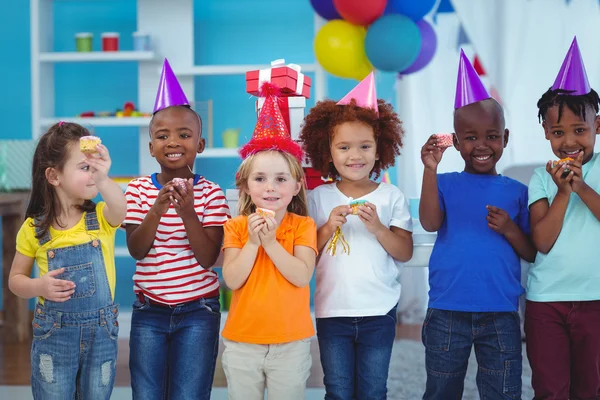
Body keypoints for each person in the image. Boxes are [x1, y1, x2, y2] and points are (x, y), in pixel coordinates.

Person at [419, 50, 535, 399]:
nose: (481, 145)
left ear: (506, 138)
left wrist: (511, 229)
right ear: (455, 142)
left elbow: (531, 250)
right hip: (447, 309)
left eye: (491, 136)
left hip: (500, 312)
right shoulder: (445, 182)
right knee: (441, 388)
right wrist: (429, 168)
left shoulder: (517, 192)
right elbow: (429, 222)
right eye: (470, 137)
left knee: (502, 390)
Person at [300, 72, 413, 400]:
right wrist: (326, 228)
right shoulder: (319, 198)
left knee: (373, 389)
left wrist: (378, 228)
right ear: (329, 151)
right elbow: (308, 253)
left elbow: (403, 251)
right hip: (332, 311)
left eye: (365, 146)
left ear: (380, 150)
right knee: (337, 389)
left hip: (379, 311)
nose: (355, 155)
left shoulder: (391, 196)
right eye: (344, 147)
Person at [124, 59, 230, 400]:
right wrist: (157, 207)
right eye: (162, 135)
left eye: (184, 135)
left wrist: (188, 213)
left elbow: (209, 257)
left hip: (199, 310)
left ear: (199, 144)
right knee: (147, 393)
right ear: (151, 146)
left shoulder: (212, 193)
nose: (173, 142)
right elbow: (137, 250)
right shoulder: (138, 190)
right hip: (148, 310)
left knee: (190, 393)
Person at [9, 121, 126, 399]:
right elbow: (15, 280)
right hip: (54, 336)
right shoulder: (34, 229)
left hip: (101, 336)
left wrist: (104, 177)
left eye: (95, 167)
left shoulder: (101, 216)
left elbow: (121, 209)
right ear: (53, 175)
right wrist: (39, 287)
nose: (92, 174)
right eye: (85, 168)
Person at [221, 82, 317, 400]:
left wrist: (272, 243)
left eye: (280, 179)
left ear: (296, 185)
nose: (270, 187)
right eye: (260, 179)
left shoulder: (303, 226)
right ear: (245, 186)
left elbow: (301, 276)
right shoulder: (235, 226)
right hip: (242, 343)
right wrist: (252, 243)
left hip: (291, 342)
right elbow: (232, 280)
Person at [526, 37, 600, 399]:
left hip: (597, 298)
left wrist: (582, 188)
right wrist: (563, 192)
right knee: (551, 388)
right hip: (547, 301)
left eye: (579, 130)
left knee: (591, 387)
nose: (569, 142)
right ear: (545, 133)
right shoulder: (542, 178)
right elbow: (542, 241)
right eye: (558, 132)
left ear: (597, 126)